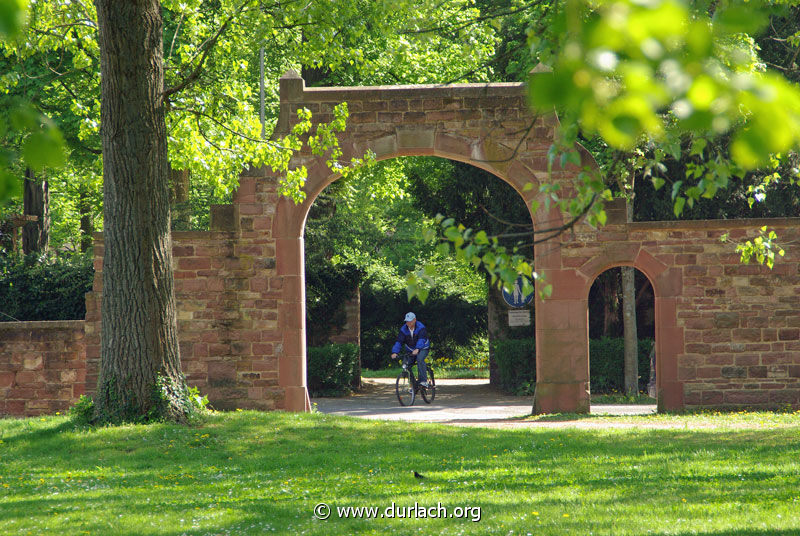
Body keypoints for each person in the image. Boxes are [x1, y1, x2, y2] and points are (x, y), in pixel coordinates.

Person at [391, 312, 431, 387]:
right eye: (407, 321)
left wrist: (417, 348)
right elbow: (399, 341)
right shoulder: (403, 329)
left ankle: (423, 381)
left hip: (423, 347)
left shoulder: (421, 327)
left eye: (410, 321)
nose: (408, 323)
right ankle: (413, 385)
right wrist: (395, 352)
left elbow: (421, 339)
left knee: (420, 359)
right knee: (406, 364)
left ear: (415, 320)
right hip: (411, 349)